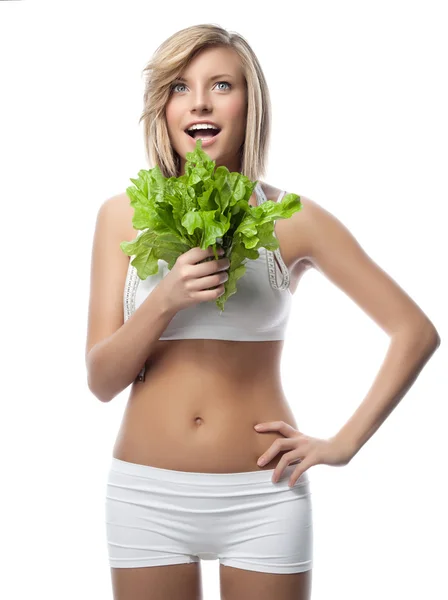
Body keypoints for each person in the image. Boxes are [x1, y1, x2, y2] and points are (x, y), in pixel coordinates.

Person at [85, 24, 441, 600]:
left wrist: (343, 444)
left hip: (264, 497)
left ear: (251, 103)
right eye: (179, 87)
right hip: (144, 495)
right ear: (163, 108)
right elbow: (101, 380)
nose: (199, 100)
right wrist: (166, 299)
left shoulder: (291, 218)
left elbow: (414, 332)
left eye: (221, 84)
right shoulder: (120, 216)